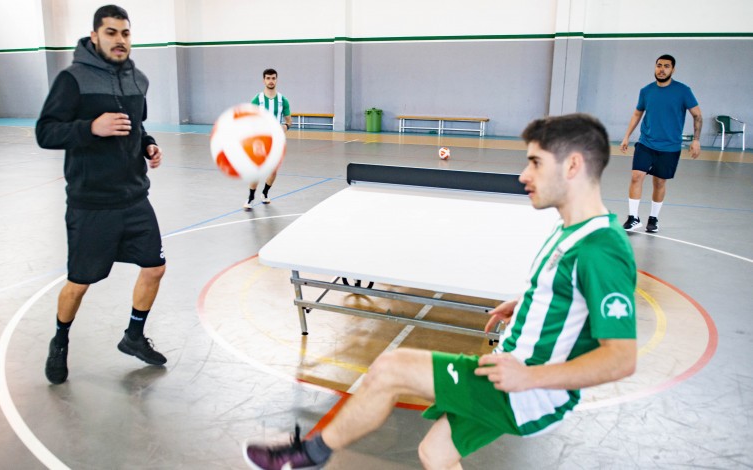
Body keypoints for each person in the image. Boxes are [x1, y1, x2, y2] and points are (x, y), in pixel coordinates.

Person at [243, 113, 638, 470]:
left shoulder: (601, 247)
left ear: (573, 165)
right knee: (436, 453)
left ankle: (307, 456)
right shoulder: (572, 230)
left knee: (390, 369)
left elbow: (621, 358)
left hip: (523, 388)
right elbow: (570, 294)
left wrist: (529, 379)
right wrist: (530, 304)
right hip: (514, 371)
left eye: (535, 162)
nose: (523, 175)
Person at [36, 4, 168, 385]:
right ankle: (60, 341)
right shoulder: (72, 80)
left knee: (155, 267)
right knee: (79, 283)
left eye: (125, 33)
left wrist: (148, 145)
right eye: (111, 33)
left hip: (134, 197)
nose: (120, 40)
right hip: (91, 203)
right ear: (95, 36)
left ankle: (133, 336)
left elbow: (136, 126)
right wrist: (90, 128)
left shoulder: (138, 80)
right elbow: (46, 131)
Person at [620, 54, 702, 233]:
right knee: (636, 176)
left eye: (666, 66)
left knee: (659, 183)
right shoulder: (646, 91)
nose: (661, 69)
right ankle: (633, 218)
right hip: (646, 143)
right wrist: (627, 136)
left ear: (673, 69)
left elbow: (697, 115)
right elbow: (637, 113)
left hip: (669, 147)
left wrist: (696, 140)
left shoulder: (683, 91)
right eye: (659, 65)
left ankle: (653, 219)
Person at [244, 68, 292, 210]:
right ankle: (251, 197)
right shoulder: (257, 99)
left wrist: (286, 127)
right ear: (264, 80)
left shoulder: (283, 100)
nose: (271, 81)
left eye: (273, 78)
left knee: (273, 171)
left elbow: (289, 121)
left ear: (276, 80)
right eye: (268, 78)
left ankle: (265, 193)